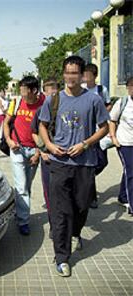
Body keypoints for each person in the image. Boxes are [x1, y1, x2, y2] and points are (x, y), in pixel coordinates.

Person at [39, 56, 109, 277]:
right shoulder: (53, 100)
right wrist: (50, 145)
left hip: (84, 163)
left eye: (75, 73)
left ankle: (76, 232)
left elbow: (105, 127)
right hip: (60, 163)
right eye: (67, 72)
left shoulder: (93, 100)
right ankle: (62, 257)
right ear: (64, 74)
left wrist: (85, 144)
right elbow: (41, 125)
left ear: (82, 75)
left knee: (81, 205)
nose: (70, 77)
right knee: (61, 212)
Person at [3, 76, 45, 236]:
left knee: (26, 186)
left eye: (24, 90)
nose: (21, 93)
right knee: (21, 187)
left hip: (34, 151)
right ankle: (23, 221)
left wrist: (39, 152)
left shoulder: (43, 104)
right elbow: (6, 123)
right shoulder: (16, 103)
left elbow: (46, 130)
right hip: (17, 150)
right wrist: (8, 140)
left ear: (34, 90)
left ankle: (20, 210)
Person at [31, 78, 59, 239]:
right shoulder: (41, 110)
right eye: (49, 92)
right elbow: (34, 131)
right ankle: (54, 226)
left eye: (54, 91)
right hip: (48, 158)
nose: (52, 95)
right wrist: (42, 150)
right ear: (44, 93)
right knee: (49, 193)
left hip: (66, 159)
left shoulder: (66, 107)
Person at [83, 63, 111, 208]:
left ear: (95, 75)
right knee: (91, 163)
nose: (85, 77)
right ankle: (91, 197)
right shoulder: (81, 90)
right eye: (84, 74)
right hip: (87, 134)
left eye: (88, 74)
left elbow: (108, 104)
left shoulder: (101, 90)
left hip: (100, 132)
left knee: (102, 162)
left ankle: (85, 178)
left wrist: (103, 113)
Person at [109, 76, 133, 215]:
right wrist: (113, 138)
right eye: (131, 87)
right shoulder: (122, 103)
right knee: (131, 171)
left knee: (128, 170)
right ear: (128, 89)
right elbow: (112, 120)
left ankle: (123, 196)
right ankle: (131, 204)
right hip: (124, 143)